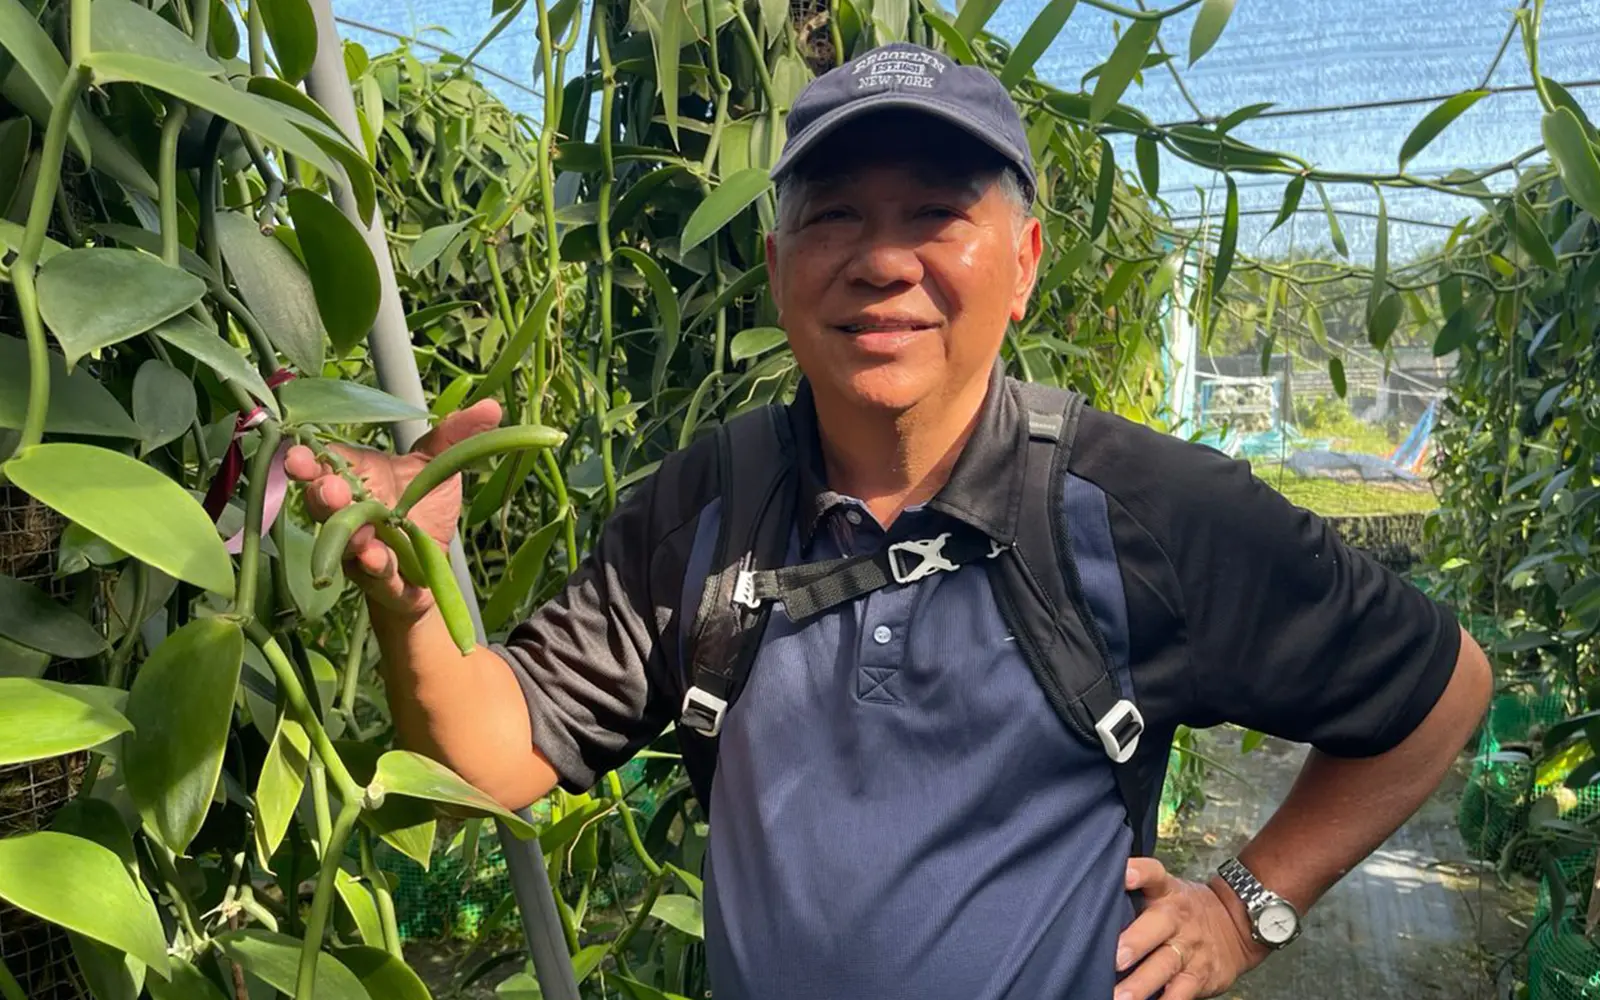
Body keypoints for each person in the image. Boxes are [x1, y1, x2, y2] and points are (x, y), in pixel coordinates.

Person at [287, 41, 1492, 1000]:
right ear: (777, 267)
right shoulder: (710, 503)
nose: (882, 261)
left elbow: (1441, 690)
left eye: (933, 214)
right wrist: (409, 593)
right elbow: (493, 754)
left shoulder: (1140, 509)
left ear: (1022, 264)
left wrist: (1242, 907)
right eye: (835, 218)